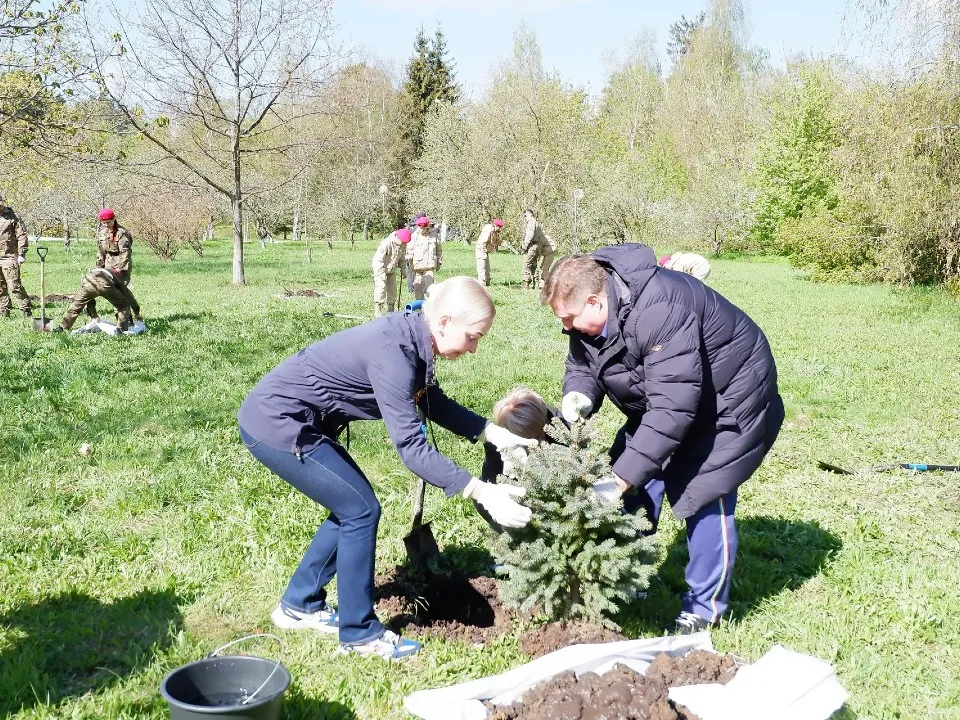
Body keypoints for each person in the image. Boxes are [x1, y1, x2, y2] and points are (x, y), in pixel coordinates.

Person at [237, 276, 537, 660]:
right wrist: (480, 490)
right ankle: (360, 634)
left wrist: (492, 433)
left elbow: (430, 400)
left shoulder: (413, 336)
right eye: (473, 336)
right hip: (277, 424)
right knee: (359, 509)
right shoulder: (393, 353)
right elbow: (412, 448)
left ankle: (300, 603)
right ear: (445, 322)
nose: (474, 348)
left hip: (299, 421)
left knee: (352, 506)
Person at [541, 245, 784, 634]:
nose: (567, 327)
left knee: (704, 492)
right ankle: (628, 576)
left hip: (726, 402)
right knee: (634, 472)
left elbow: (673, 409)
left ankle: (703, 609)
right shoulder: (595, 313)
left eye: (569, 318)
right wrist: (579, 393)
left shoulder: (660, 308)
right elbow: (583, 362)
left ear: (594, 301)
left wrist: (620, 480)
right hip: (669, 396)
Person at [55, 208, 143, 333]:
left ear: (114, 219)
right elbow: (101, 252)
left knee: (120, 295)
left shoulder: (122, 233)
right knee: (104, 292)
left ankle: (125, 321)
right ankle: (121, 327)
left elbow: (125, 254)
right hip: (106, 267)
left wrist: (119, 271)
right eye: (103, 223)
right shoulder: (102, 232)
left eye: (108, 222)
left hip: (120, 268)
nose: (106, 225)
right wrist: (98, 268)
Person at [0, 195, 33, 319]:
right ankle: (4, 312)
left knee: (15, 286)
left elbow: (22, 235)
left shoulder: (13, 216)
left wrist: (21, 254)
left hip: (9, 256)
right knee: (0, 288)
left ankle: (26, 310)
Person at [372, 228, 411, 316]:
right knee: (381, 287)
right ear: (397, 237)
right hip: (380, 268)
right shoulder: (386, 243)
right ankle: (378, 310)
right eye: (403, 242)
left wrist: (403, 270)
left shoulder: (402, 245)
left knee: (392, 290)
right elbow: (378, 260)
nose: (404, 244)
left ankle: (391, 310)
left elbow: (402, 259)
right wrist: (381, 273)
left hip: (391, 270)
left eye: (405, 243)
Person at [520, 209, 557, 290]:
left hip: (533, 245)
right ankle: (535, 283)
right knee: (534, 265)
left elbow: (529, 235)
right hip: (537, 246)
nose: (524, 218)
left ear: (531, 215)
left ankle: (526, 284)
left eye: (525, 216)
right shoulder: (537, 223)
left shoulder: (531, 222)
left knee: (526, 264)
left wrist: (524, 247)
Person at [410, 215, 442, 300]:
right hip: (417, 267)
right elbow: (409, 251)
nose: (422, 230)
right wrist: (409, 264)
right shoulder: (414, 237)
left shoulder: (434, 236)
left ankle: (429, 304)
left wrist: (439, 262)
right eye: (420, 228)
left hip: (429, 267)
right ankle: (419, 305)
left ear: (427, 227)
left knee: (430, 288)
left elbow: (439, 250)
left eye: (424, 228)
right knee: (418, 287)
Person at [475, 219, 504, 287]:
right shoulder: (488, 230)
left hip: (486, 251)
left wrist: (504, 244)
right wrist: (483, 253)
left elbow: (496, 241)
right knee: (482, 268)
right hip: (481, 250)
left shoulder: (494, 232)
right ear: (496, 226)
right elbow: (482, 242)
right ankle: (482, 285)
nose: (500, 229)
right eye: (499, 227)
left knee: (487, 269)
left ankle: (488, 284)